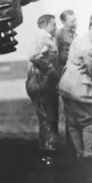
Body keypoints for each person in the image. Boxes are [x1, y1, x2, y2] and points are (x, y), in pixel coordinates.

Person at [58, 13, 92, 162]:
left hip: (66, 85)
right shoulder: (89, 47)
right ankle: (88, 153)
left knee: (72, 122)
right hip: (80, 88)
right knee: (88, 120)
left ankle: (78, 153)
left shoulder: (78, 39)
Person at [25, 14, 60, 166]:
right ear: (44, 25)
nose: (56, 27)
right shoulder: (42, 38)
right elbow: (35, 56)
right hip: (41, 84)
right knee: (47, 119)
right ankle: (47, 157)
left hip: (43, 83)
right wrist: (52, 71)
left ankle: (49, 153)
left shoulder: (44, 38)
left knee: (48, 118)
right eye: (53, 24)